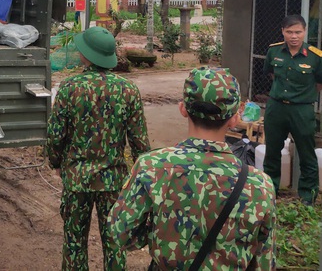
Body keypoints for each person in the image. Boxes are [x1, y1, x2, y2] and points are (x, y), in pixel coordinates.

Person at [109, 67, 276, 269]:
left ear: (183, 109)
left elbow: (121, 233)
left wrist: (158, 232)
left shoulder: (152, 167)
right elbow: (264, 261)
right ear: (234, 118)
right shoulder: (259, 185)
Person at [46, 26, 150, 270]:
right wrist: (140, 181)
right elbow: (140, 143)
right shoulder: (128, 90)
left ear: (86, 55)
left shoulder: (70, 88)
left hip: (76, 179)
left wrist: (56, 163)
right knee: (114, 241)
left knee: (74, 241)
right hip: (114, 180)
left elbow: (55, 136)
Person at [263, 14, 322, 205]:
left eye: (298, 32)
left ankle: (307, 198)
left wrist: (302, 95)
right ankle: (269, 194)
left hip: (302, 110)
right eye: (290, 32)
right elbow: (271, 74)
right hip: (276, 108)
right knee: (272, 152)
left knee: (307, 154)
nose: (294, 36)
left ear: (305, 31)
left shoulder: (317, 57)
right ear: (283, 31)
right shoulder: (273, 52)